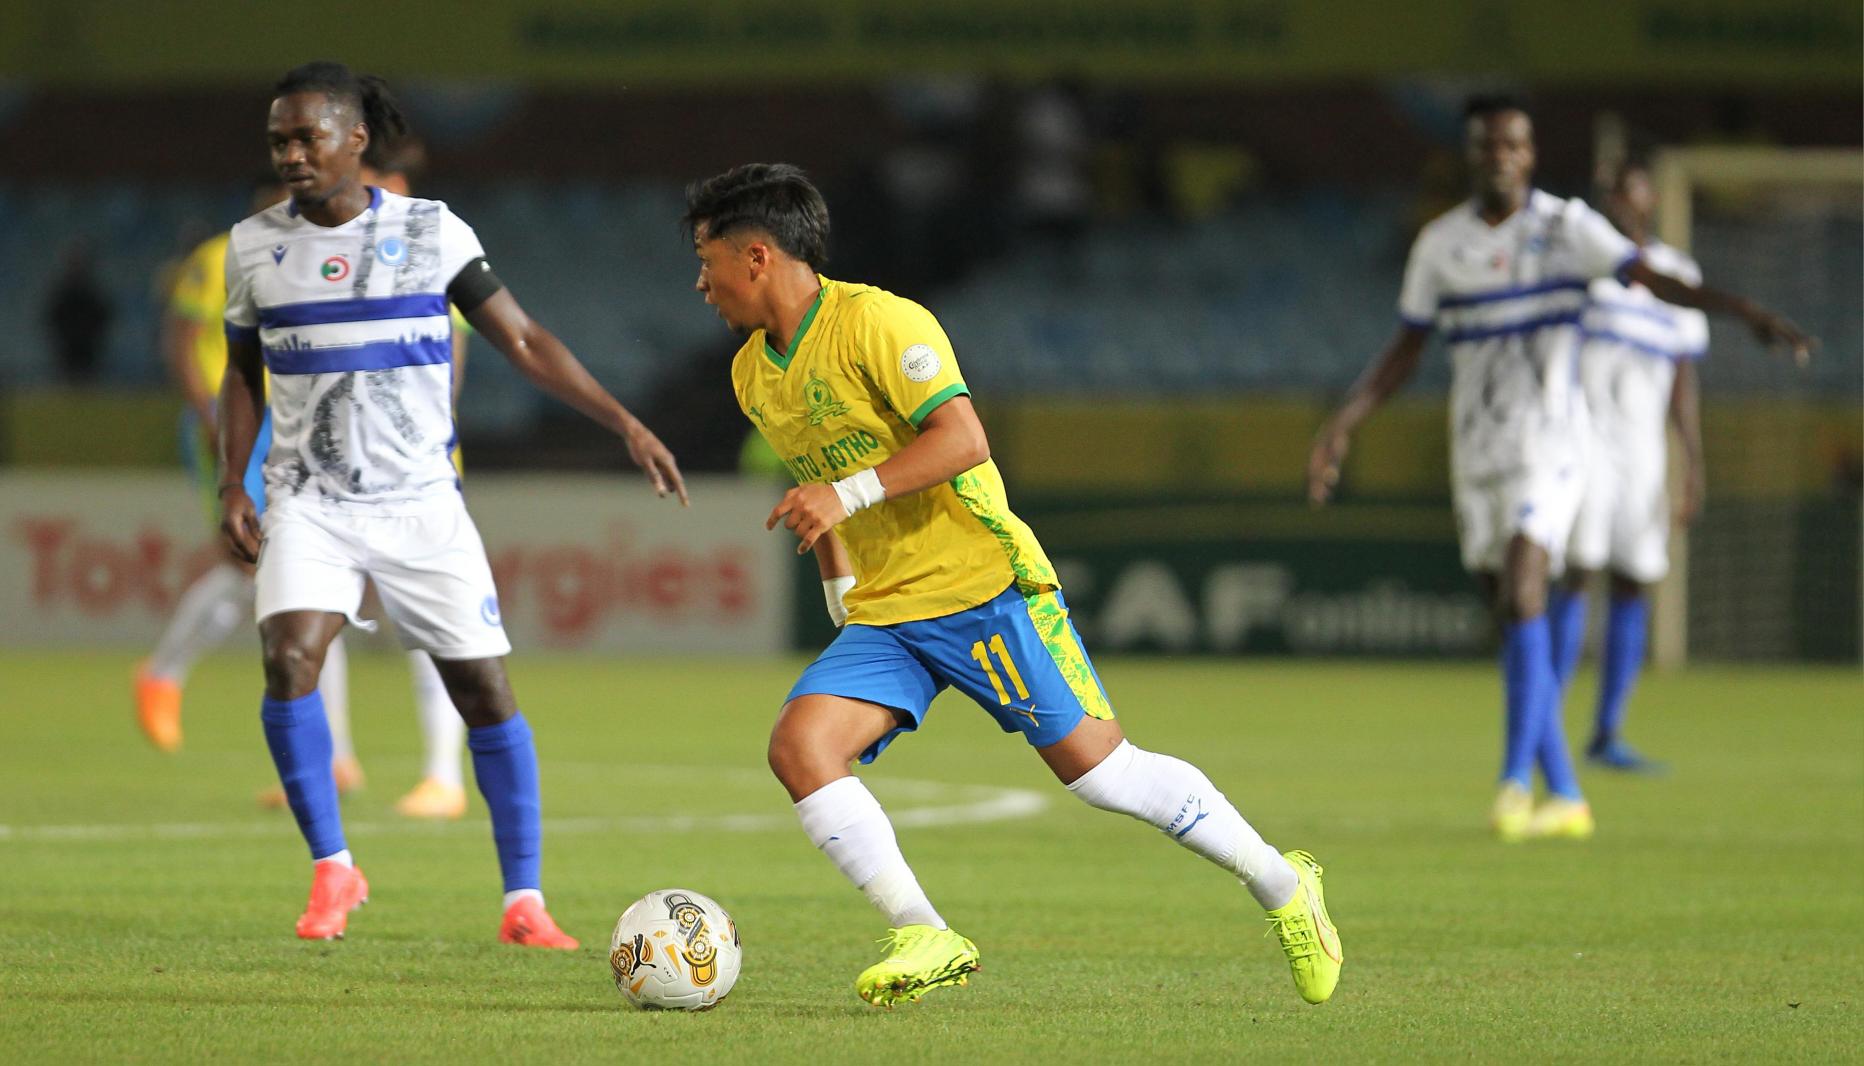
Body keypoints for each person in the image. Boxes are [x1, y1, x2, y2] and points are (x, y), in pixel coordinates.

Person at [684, 163, 1340, 1008]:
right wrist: (841, 598)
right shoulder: (752, 375)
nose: (700, 285)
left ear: (759, 256)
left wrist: (845, 495)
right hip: (889, 611)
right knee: (800, 747)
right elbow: (822, 499)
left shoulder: (880, 323)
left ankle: (1285, 888)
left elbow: (962, 439)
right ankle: (925, 931)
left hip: (984, 585)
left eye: (707, 261)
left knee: (1103, 775)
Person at [219, 61, 686, 945]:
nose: (289, 154)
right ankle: (334, 868)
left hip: (422, 503)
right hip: (308, 499)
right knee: (289, 660)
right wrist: (228, 481)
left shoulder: (431, 232)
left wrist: (623, 422)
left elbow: (521, 338)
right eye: (278, 139)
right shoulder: (253, 246)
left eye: (305, 137)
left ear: (356, 139)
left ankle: (523, 900)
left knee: (484, 693)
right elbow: (240, 373)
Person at [1306, 97, 1811, 843]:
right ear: (1471, 154)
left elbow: (1652, 279)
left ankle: (1514, 782)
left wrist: (1744, 311)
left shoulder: (1566, 228)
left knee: (1525, 588)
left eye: (1514, 144)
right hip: (1476, 453)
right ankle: (1567, 792)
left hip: (1552, 447)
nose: (1502, 156)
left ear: (1532, 154)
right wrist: (1342, 425)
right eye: (1488, 145)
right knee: (1512, 621)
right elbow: (1407, 348)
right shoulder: (1441, 246)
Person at [136, 176, 364, 804]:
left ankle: (336, 754)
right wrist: (211, 422)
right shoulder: (216, 258)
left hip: (293, 427)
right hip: (232, 427)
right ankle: (162, 673)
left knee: (314, 580)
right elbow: (182, 343)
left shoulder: (315, 262)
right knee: (273, 572)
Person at [1548, 162, 1708, 773]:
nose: (1620, 198)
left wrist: (1692, 461)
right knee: (1576, 571)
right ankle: (1547, 722)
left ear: (1651, 197)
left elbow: (1683, 378)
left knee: (1635, 578)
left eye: (1630, 186)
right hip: (1583, 445)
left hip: (1644, 454)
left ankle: (1607, 730)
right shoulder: (1585, 275)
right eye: (1611, 189)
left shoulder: (1678, 277)